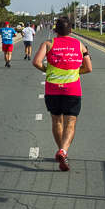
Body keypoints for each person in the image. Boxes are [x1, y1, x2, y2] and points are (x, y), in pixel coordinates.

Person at [32, 16, 92, 171]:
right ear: (71, 30)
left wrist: (48, 70)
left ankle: (61, 151)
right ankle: (63, 151)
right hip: (72, 90)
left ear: (55, 30)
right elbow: (89, 68)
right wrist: (76, 72)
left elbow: (36, 62)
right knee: (70, 123)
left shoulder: (48, 44)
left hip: (52, 89)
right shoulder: (79, 45)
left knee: (56, 121)